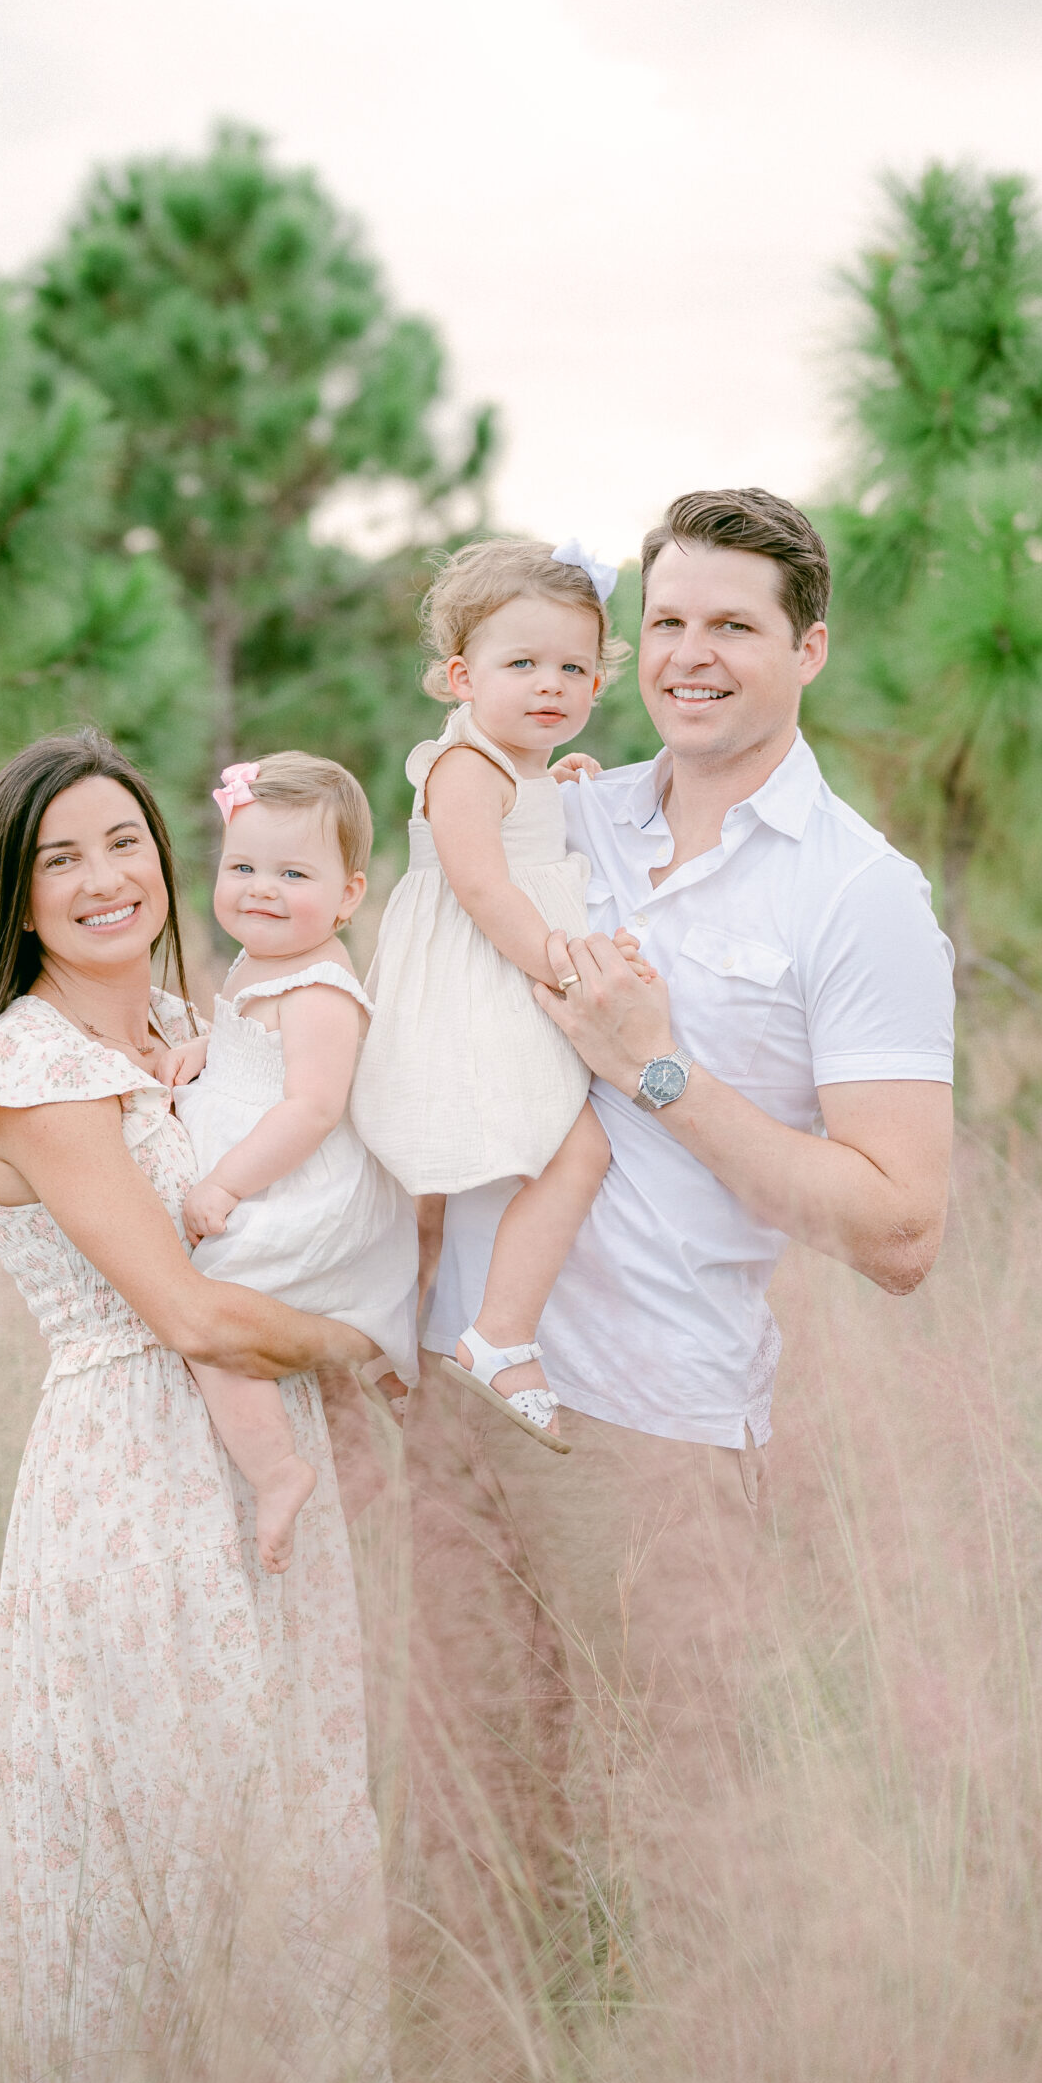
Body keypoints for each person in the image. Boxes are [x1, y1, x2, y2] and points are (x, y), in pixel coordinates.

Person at [410, 487, 957, 1903]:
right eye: (665, 623)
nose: (689, 655)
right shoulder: (567, 814)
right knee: (452, 1831)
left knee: (673, 1846)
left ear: (810, 649)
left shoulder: (858, 895)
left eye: (733, 625)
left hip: (650, 1433)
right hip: (445, 1389)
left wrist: (661, 1075)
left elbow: (902, 1230)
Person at [0, 729, 391, 2083]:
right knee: (145, 1839)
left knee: (286, 1824)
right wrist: (358, 1351)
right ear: (18, 901)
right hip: (133, 1482)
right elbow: (177, 1309)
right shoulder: (33, 1072)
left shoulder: (194, 1021)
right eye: (62, 859)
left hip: (254, 1462)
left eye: (124, 842)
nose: (106, 878)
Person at [351, 536, 636, 1451]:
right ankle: (492, 1336)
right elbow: (481, 887)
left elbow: (524, 836)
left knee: (537, 1153)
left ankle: (455, 1339)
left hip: (507, 977)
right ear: (459, 679)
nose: (550, 684)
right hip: (483, 984)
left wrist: (557, 783)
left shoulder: (515, 767)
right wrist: (563, 964)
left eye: (573, 667)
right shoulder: (463, 768)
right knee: (562, 1147)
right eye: (522, 664)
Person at [155, 752, 417, 1572]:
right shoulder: (257, 961)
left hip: (300, 1188)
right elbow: (252, 1048)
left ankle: (276, 1471)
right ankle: (362, 1450)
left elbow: (310, 1105)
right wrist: (207, 1044)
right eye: (242, 867)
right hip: (268, 1167)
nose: (261, 889)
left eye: (292, 873)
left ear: (347, 896)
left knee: (211, 1315)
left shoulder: (321, 989)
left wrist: (227, 1180)